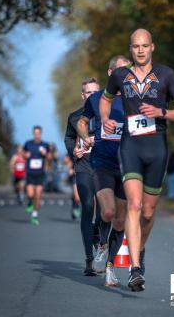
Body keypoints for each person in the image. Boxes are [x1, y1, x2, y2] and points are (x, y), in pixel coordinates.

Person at [99, 28, 174, 291]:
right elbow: (105, 100)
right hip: (130, 147)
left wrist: (162, 112)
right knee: (134, 204)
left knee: (148, 213)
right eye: (135, 46)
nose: (140, 50)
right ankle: (135, 269)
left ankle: (139, 250)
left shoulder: (166, 75)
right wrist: (105, 118)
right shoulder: (119, 76)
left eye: (144, 45)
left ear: (152, 48)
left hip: (157, 148)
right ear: (131, 49)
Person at [78, 55, 129, 286]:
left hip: (129, 166)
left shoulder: (133, 100)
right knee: (107, 212)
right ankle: (100, 242)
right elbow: (81, 122)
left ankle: (110, 268)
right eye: (121, 71)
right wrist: (84, 137)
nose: (125, 75)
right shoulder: (97, 98)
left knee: (120, 220)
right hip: (103, 163)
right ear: (110, 74)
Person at [64, 77, 100, 276]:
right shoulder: (74, 117)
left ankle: (96, 233)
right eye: (88, 93)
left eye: (96, 92)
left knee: (105, 213)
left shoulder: (108, 114)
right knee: (87, 207)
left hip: (104, 167)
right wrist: (73, 151)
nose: (92, 95)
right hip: (83, 166)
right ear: (83, 95)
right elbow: (69, 138)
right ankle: (89, 259)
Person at [24, 126, 50, 225]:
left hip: (40, 174)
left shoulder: (45, 145)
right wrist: (25, 155)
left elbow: (49, 157)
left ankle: (34, 215)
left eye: (38, 133)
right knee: (30, 194)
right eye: (35, 133)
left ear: (41, 134)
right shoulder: (28, 144)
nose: (37, 135)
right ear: (33, 133)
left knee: (38, 195)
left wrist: (45, 154)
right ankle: (30, 201)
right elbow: (23, 154)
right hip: (30, 173)